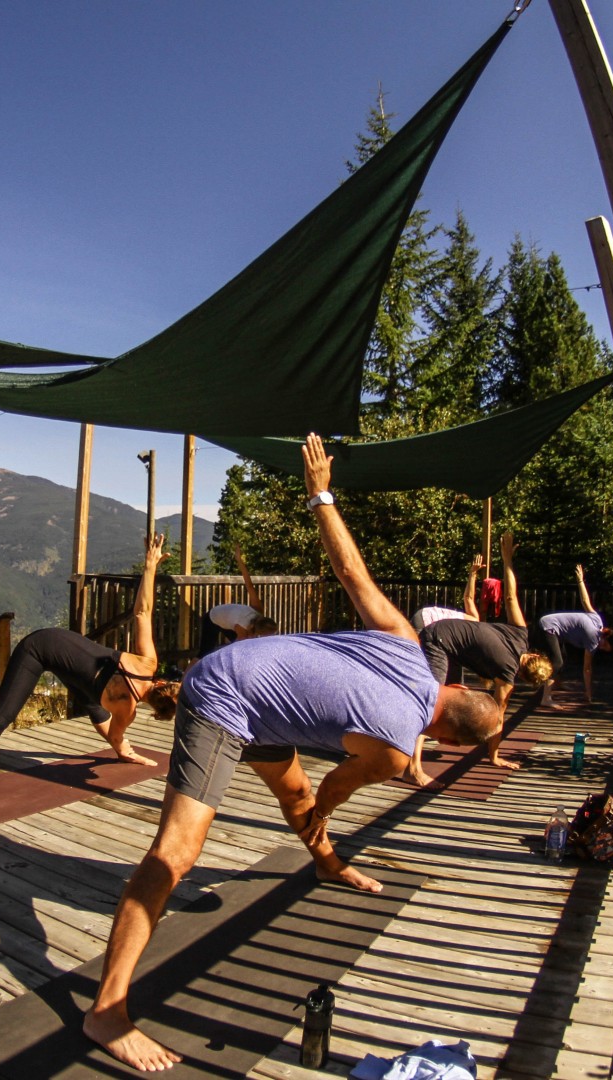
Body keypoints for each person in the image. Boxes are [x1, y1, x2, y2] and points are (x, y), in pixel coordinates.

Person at [83, 435, 505, 1072]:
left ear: (453, 687)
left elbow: (351, 572)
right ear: (443, 741)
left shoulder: (410, 644)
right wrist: (330, 808)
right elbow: (335, 794)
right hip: (223, 696)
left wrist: (322, 495)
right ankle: (107, 1010)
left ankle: (328, 866)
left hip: (257, 688)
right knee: (178, 852)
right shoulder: (394, 753)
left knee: (297, 794)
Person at [0, 533, 179, 818]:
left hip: (53, 640)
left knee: (93, 701)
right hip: (37, 651)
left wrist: (150, 567)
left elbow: (143, 612)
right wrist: (123, 749)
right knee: (3, 714)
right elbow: (115, 734)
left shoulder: (147, 663)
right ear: (158, 711)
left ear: (163, 683)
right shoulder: (127, 710)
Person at [414, 533, 554, 775]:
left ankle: (439, 733)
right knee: (432, 701)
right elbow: (498, 719)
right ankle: (413, 768)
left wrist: (507, 560)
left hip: (448, 640)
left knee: (455, 695)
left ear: (533, 656)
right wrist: (495, 757)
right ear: (524, 677)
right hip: (438, 639)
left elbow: (510, 596)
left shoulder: (521, 634)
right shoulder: (508, 676)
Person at [537, 563, 613, 704]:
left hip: (556, 629)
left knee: (563, 655)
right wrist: (588, 693)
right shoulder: (594, 639)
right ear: (605, 639)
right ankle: (546, 698)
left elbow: (585, 600)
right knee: (557, 662)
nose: (602, 648)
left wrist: (580, 581)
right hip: (549, 627)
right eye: (605, 646)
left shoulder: (597, 620)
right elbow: (587, 669)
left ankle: (557, 683)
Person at [199, 539, 278, 656]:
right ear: (260, 633)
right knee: (203, 655)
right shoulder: (242, 628)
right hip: (213, 618)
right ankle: (186, 674)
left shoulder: (258, 612)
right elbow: (239, 650)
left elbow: (250, 586)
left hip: (229, 620)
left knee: (245, 647)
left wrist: (240, 561)